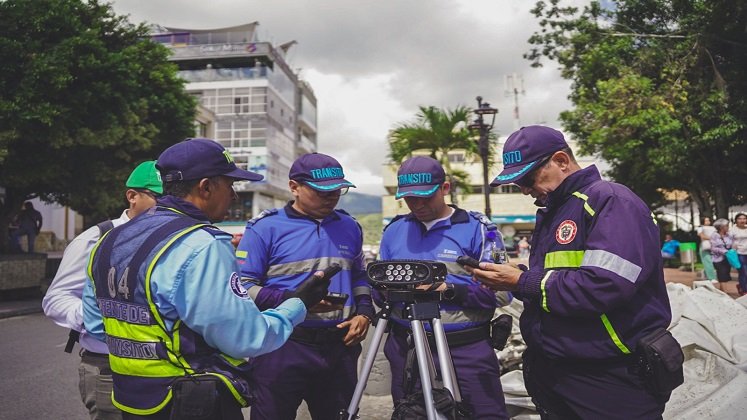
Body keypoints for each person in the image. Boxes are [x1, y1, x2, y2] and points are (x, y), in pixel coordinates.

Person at [82, 138, 326, 419]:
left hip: (131, 402)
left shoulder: (110, 239)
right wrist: (298, 304)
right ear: (206, 186)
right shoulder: (203, 244)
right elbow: (246, 338)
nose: (234, 196)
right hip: (191, 400)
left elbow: (97, 326)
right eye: (230, 185)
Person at [468, 126, 675, 419]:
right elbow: (561, 275)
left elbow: (602, 286)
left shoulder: (611, 201)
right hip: (560, 370)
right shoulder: (558, 209)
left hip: (609, 376)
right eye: (517, 184)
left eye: (527, 178)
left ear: (562, 161)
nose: (524, 189)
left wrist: (521, 280)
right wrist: (518, 275)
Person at [235, 152, 373, 420]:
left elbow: (359, 276)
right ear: (294, 187)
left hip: (339, 347)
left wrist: (364, 312)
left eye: (337, 190)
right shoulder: (265, 228)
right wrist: (295, 300)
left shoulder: (350, 226)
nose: (331, 197)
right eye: (322, 192)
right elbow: (243, 285)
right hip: (281, 345)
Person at [378, 156, 510, 419]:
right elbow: (380, 288)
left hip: (466, 350)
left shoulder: (480, 229)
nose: (417, 205)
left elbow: (504, 294)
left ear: (445, 188)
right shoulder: (393, 231)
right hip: (408, 349)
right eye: (409, 198)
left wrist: (449, 289)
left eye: (425, 197)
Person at [43, 161, 162, 420]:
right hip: (107, 366)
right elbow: (55, 299)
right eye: (159, 197)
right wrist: (100, 316)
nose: (166, 205)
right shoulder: (95, 238)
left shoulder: (171, 239)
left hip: (162, 364)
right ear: (132, 196)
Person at [710, 218, 735, 291]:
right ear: (721, 227)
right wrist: (724, 251)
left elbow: (732, 244)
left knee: (725, 276)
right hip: (718, 259)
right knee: (722, 275)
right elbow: (713, 248)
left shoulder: (729, 235)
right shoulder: (714, 235)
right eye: (726, 226)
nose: (728, 227)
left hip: (727, 258)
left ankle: (722, 293)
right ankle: (725, 294)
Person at [729, 213, 747, 295]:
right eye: (740, 219)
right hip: (739, 253)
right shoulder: (732, 230)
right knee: (743, 272)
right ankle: (744, 290)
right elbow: (728, 241)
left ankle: (741, 285)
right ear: (736, 220)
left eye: (744, 218)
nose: (742, 220)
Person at [697, 217, 717, 281]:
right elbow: (702, 236)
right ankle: (712, 278)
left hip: (714, 246)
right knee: (708, 261)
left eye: (708, 220)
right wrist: (712, 238)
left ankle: (706, 274)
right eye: (706, 220)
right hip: (705, 246)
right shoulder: (700, 228)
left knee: (712, 262)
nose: (708, 221)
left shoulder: (713, 228)